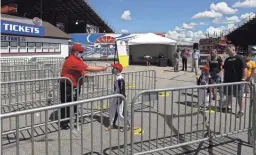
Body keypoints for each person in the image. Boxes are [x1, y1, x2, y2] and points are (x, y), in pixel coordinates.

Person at [60, 43, 107, 129]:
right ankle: (64, 122)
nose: (82, 53)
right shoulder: (73, 60)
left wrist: (83, 74)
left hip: (74, 84)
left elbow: (80, 70)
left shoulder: (77, 59)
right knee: (66, 104)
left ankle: (72, 117)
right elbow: (88, 67)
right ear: (75, 52)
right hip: (68, 85)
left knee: (74, 102)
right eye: (81, 52)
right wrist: (102, 68)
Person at [222, 44, 247, 118]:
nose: (226, 50)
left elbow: (244, 68)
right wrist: (224, 80)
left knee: (239, 96)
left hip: (238, 81)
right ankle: (228, 107)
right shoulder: (227, 59)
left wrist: (243, 79)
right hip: (228, 81)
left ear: (232, 49)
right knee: (229, 94)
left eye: (227, 49)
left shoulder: (239, 57)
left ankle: (241, 111)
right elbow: (225, 70)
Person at [106, 63, 130, 131]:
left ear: (117, 70)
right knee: (112, 111)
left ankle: (127, 126)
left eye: (114, 68)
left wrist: (120, 99)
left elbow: (122, 90)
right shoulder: (117, 77)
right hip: (115, 96)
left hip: (119, 97)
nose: (112, 69)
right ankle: (111, 124)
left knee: (120, 113)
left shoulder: (120, 79)